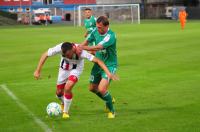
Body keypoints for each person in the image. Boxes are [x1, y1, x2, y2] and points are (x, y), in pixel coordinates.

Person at [33, 42, 118, 119]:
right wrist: (38, 70)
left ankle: (65, 112)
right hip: (63, 70)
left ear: (73, 50)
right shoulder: (60, 48)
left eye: (68, 55)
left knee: (68, 87)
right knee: (59, 93)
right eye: (65, 55)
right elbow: (45, 54)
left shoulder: (81, 52)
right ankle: (63, 102)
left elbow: (98, 61)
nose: (67, 57)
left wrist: (108, 73)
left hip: (76, 70)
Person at [80, 16, 118, 118]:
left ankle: (112, 111)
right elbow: (86, 41)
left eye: (100, 27)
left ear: (107, 26)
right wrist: (80, 47)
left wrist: (82, 48)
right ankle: (109, 99)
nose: (98, 29)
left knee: (101, 89)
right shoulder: (95, 31)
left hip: (110, 65)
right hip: (98, 64)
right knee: (92, 88)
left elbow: (98, 47)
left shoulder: (111, 36)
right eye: (97, 27)